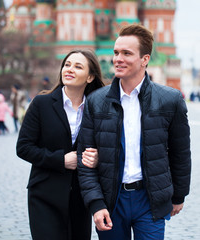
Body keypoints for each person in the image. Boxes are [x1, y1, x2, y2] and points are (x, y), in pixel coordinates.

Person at [77, 24, 191, 240]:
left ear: (145, 59)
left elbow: (181, 153)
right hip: (111, 200)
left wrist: (178, 195)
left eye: (127, 53)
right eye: (116, 52)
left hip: (149, 200)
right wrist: (96, 203)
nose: (118, 58)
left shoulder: (170, 100)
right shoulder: (95, 102)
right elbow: (85, 159)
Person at [16, 49, 104, 240]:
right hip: (45, 195)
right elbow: (23, 147)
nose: (69, 69)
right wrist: (60, 160)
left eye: (78, 66)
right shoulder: (42, 104)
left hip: (81, 198)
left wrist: (98, 158)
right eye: (67, 64)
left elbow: (108, 147)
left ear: (90, 77)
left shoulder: (97, 109)